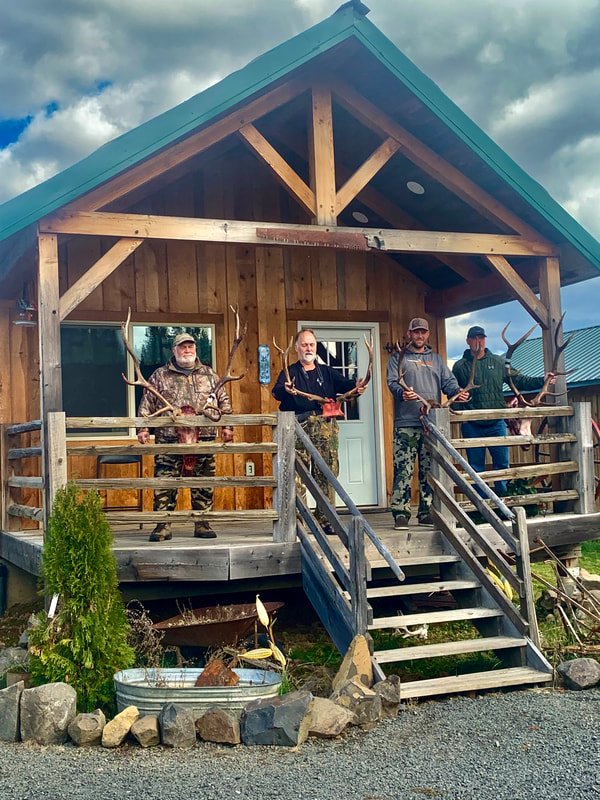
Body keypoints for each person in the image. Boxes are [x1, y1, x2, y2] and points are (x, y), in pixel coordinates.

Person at [137, 332, 233, 542]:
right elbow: (147, 404)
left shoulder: (210, 375)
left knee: (203, 484)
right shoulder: (159, 376)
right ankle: (163, 525)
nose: (187, 350)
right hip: (169, 441)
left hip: (204, 439)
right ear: (174, 350)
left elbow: (223, 402)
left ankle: (202, 523)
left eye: (190, 346)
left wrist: (227, 426)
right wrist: (143, 429)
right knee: (165, 484)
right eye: (182, 347)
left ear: (195, 349)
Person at [272, 328, 365, 535]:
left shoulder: (327, 372)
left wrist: (357, 386)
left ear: (316, 347)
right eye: (304, 344)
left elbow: (347, 385)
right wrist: (286, 389)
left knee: (326, 472)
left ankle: (326, 519)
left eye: (311, 344)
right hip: (298, 426)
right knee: (298, 474)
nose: (308, 348)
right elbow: (277, 393)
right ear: (296, 348)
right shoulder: (290, 372)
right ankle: (299, 520)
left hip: (325, 429)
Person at [452, 324, 554, 495]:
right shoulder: (460, 366)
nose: (479, 341)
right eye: (475, 338)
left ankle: (503, 501)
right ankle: (482, 505)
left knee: (502, 465)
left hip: (496, 423)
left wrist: (541, 380)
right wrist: (456, 400)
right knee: (475, 468)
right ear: (468, 341)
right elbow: (452, 391)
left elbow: (520, 380)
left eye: (481, 338)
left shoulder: (498, 363)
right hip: (472, 424)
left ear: (485, 340)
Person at [386, 317, 469, 530]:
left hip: (430, 422)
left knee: (428, 469)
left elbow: (448, 382)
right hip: (406, 422)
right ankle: (401, 513)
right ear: (409, 333)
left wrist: (456, 392)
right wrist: (402, 393)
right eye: (416, 332)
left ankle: (426, 511)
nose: (419, 336)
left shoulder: (436, 359)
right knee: (403, 469)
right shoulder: (399, 357)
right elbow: (393, 382)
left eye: (423, 332)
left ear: (428, 334)